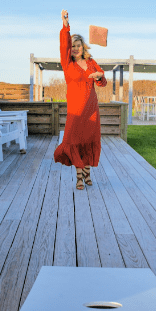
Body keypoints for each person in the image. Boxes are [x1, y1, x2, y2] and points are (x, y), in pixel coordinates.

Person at [54, 10, 107, 190]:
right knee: (75, 141)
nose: (76, 48)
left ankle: (87, 173)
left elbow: (102, 82)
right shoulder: (68, 64)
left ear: (83, 47)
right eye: (73, 46)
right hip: (76, 111)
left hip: (91, 109)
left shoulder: (91, 62)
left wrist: (99, 75)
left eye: (78, 45)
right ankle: (78, 177)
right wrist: (65, 26)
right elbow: (63, 45)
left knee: (89, 141)